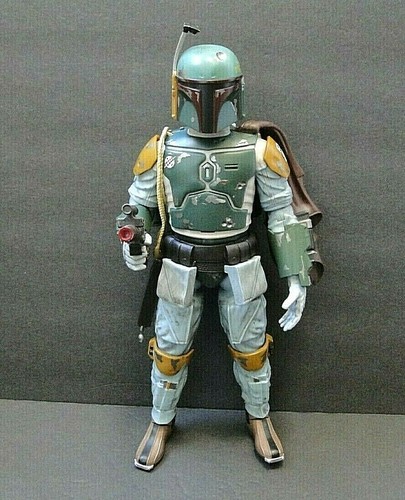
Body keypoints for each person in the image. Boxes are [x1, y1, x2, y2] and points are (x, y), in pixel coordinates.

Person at [117, 28, 321, 471]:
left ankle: (259, 417)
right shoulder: (162, 149)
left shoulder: (259, 151)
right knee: (169, 353)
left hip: (239, 261)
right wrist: (134, 241)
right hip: (180, 261)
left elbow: (283, 216)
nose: (207, 103)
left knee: (252, 349)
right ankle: (160, 421)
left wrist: (297, 276)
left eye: (217, 92)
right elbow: (138, 208)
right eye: (198, 93)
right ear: (181, 94)